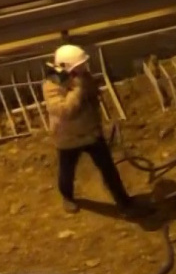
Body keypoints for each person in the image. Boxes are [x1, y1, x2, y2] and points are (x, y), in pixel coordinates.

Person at [43, 44, 137, 214]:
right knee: (67, 172)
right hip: (68, 139)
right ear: (67, 68)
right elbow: (65, 111)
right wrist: (78, 89)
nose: (85, 68)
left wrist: (88, 87)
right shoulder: (51, 87)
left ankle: (123, 200)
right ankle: (68, 197)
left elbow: (93, 97)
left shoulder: (83, 77)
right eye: (80, 66)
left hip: (91, 133)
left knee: (109, 169)